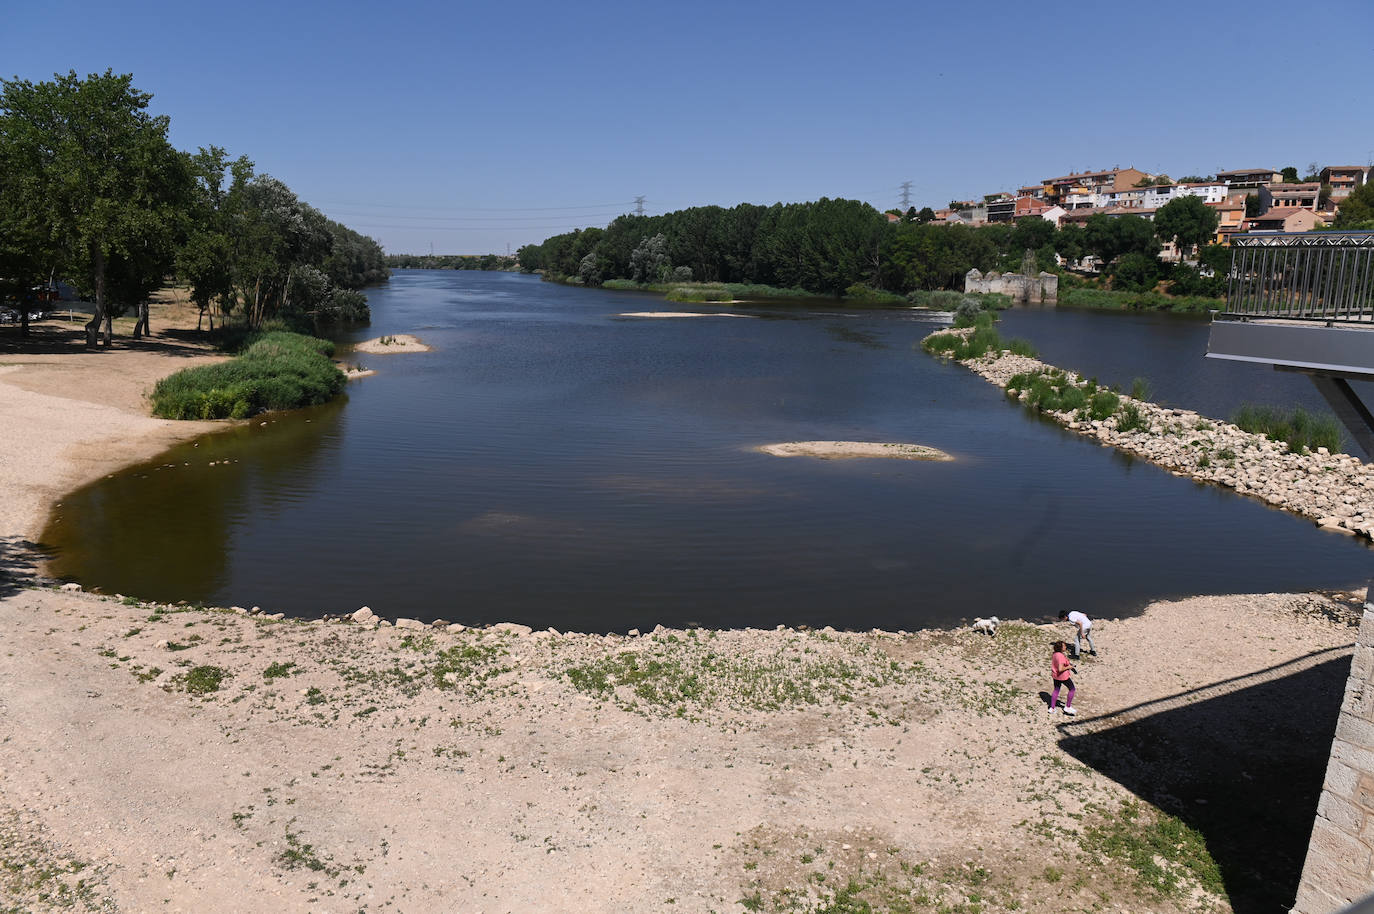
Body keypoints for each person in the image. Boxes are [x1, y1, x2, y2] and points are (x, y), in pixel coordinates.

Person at [1048, 640, 1076, 716]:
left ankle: (1052, 708)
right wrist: (1069, 667)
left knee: (1056, 690)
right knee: (1072, 689)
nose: (1066, 647)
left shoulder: (1055, 654)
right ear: (1060, 648)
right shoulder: (1060, 656)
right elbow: (1060, 669)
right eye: (1064, 646)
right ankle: (1068, 707)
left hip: (1055, 676)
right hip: (1063, 676)